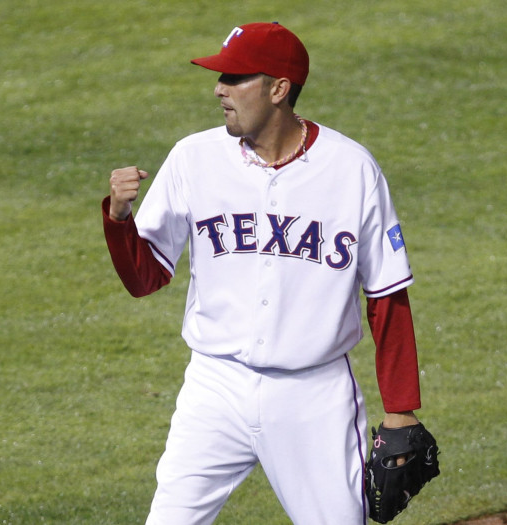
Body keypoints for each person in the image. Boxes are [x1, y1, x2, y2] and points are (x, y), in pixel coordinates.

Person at [101, 22, 424, 525]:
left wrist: (401, 406)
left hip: (314, 398)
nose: (218, 89)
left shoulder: (351, 169)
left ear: (279, 89)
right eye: (220, 76)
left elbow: (387, 295)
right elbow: (146, 279)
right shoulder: (193, 158)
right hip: (215, 387)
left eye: (234, 77)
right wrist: (119, 221)